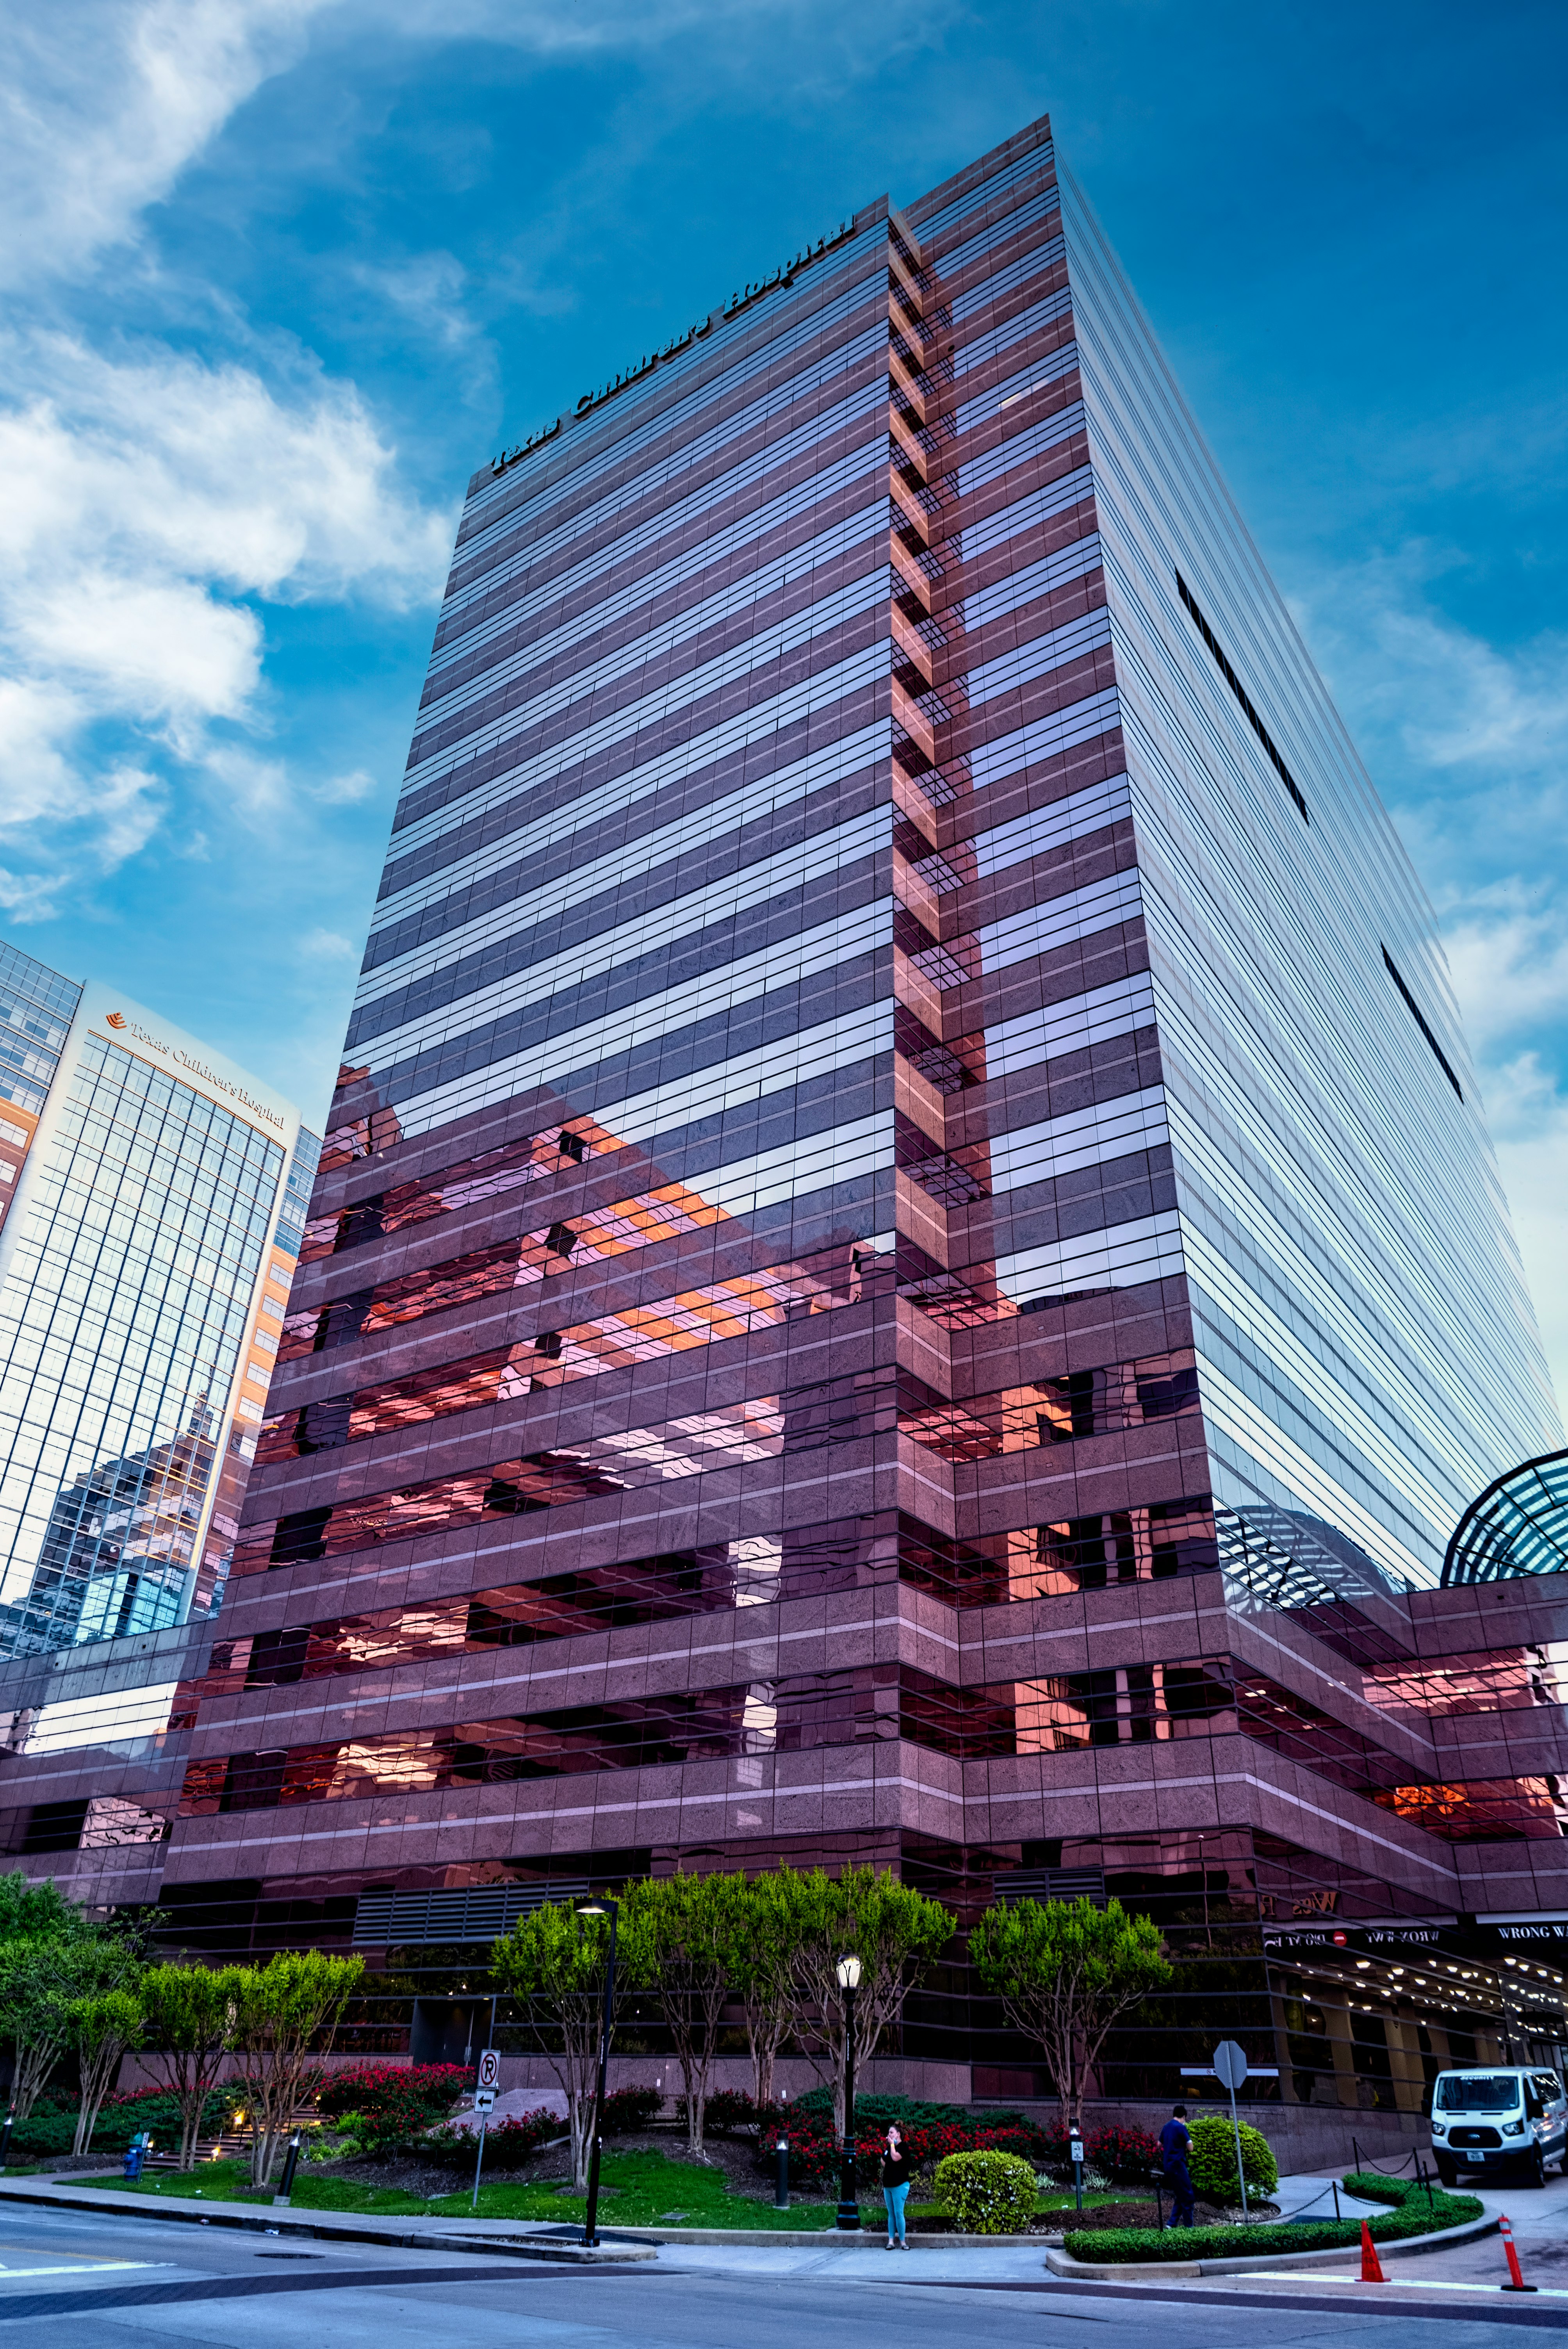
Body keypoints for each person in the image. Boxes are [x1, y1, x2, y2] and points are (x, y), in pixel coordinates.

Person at [1159, 2103, 1195, 2228]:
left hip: (1168, 2166)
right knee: (1188, 2195)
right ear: (1184, 2117)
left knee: (1181, 2195)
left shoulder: (1166, 2126)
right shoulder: (1181, 2127)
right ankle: (1189, 2227)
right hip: (1178, 2165)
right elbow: (1191, 2148)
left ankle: (1172, 2223)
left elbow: (1159, 2144)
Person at [882, 2124, 912, 2248]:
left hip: (900, 2185)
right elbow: (883, 2160)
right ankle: (891, 2241)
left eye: (892, 2133)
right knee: (891, 2213)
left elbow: (895, 2158)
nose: (889, 2135)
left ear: (898, 2134)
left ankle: (903, 2242)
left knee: (899, 2212)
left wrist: (892, 2145)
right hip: (888, 2185)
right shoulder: (890, 2148)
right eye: (889, 2133)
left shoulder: (903, 2147)